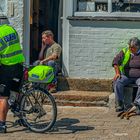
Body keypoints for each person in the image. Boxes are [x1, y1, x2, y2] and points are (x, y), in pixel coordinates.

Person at [0, 24, 25, 133]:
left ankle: (2, 125)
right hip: (19, 64)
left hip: (7, 68)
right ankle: (21, 117)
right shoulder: (11, 29)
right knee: (15, 90)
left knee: (3, 97)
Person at [113, 37, 140, 112]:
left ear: (138, 47)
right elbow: (115, 61)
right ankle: (119, 104)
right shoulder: (125, 51)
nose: (130, 48)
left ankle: (137, 104)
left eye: (132, 47)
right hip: (126, 76)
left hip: (138, 77)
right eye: (129, 46)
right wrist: (117, 73)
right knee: (118, 81)